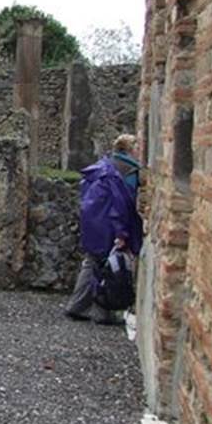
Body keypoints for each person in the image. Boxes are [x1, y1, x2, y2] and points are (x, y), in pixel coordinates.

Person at [65, 134, 144, 324]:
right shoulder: (127, 171)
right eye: (138, 146)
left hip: (94, 222)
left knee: (94, 262)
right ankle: (100, 310)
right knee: (109, 266)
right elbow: (122, 205)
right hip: (110, 224)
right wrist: (122, 233)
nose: (141, 150)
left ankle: (81, 306)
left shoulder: (103, 166)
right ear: (130, 149)